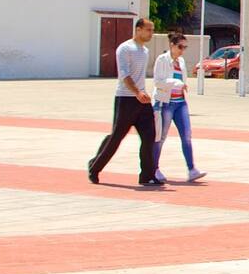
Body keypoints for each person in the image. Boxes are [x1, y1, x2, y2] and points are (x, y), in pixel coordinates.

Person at [86, 17, 162, 187]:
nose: (151, 33)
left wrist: (142, 94)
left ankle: (147, 175)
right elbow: (124, 74)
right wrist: (137, 92)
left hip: (142, 101)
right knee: (116, 137)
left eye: (152, 30)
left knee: (149, 137)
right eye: (149, 30)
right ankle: (94, 168)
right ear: (138, 29)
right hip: (126, 99)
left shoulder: (145, 51)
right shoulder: (125, 48)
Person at [151, 32, 207, 183]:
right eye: (180, 46)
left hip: (180, 102)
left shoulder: (181, 62)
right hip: (165, 103)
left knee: (186, 135)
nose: (182, 50)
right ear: (172, 45)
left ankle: (192, 169)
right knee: (160, 137)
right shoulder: (162, 60)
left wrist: (182, 88)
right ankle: (154, 169)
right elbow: (158, 82)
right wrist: (177, 84)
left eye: (185, 47)